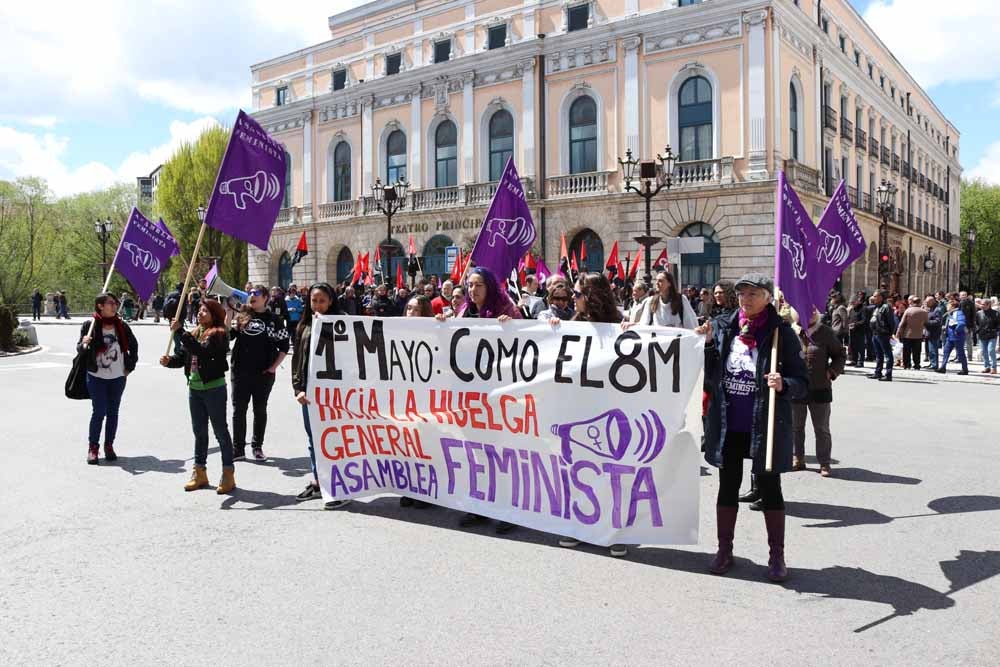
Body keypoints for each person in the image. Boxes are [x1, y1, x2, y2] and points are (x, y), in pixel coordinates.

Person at [703, 273, 807, 582]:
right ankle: (725, 550)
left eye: (753, 294)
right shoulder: (724, 327)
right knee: (728, 486)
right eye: (742, 294)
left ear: (767, 298)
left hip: (765, 424)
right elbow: (710, 375)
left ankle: (776, 555)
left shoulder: (782, 334)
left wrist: (784, 383)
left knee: (770, 488)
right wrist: (708, 346)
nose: (746, 300)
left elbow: (802, 383)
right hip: (728, 425)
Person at [553, 273, 632, 558]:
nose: (573, 299)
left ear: (592, 296)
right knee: (578, 469)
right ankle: (579, 525)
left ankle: (614, 531)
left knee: (610, 472)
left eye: (576, 294)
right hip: (578, 409)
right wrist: (553, 331)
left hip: (609, 411)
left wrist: (633, 333)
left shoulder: (619, 324)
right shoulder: (572, 325)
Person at [438, 267, 519, 533]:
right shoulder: (464, 314)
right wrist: (440, 325)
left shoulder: (506, 310)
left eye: (479, 285)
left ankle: (509, 510)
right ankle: (480, 506)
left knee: (500, 453)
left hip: (498, 396)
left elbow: (526, 343)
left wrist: (511, 328)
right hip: (470, 397)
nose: (473, 291)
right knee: (476, 452)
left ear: (491, 287)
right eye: (470, 286)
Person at [160, 300, 236, 493]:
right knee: (199, 432)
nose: (201, 313)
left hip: (214, 389)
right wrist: (170, 361)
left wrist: (180, 332)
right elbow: (185, 357)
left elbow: (202, 352)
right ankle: (199, 473)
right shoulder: (195, 333)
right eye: (200, 310)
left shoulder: (219, 334)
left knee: (220, 432)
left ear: (215, 314)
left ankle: (228, 474)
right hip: (195, 389)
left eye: (205, 311)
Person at [292, 283, 350, 508]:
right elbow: (297, 359)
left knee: (334, 439)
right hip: (309, 394)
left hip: (335, 394)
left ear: (331, 301)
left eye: (322, 301)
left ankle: (339, 486)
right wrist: (298, 389)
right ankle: (319, 482)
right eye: (314, 300)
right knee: (314, 439)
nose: (317, 305)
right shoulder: (304, 325)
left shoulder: (342, 323)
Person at [228, 285, 290, 462]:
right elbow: (228, 337)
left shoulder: (274, 319)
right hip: (240, 371)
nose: (252, 296)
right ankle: (238, 448)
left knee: (259, 409)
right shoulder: (242, 316)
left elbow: (284, 345)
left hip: (263, 374)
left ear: (265, 298)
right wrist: (228, 314)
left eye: (256, 294)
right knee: (239, 410)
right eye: (250, 293)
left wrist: (273, 367)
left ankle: (257, 447)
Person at [77, 293, 138, 464]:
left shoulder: (122, 326)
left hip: (118, 377)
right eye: (111, 303)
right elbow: (80, 350)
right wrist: (84, 343)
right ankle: (93, 448)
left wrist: (129, 367)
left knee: (113, 412)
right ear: (100, 306)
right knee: (99, 412)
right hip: (96, 376)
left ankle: (109, 445)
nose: (115, 306)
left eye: (115, 303)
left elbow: (134, 346)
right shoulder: (90, 325)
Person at [789, 308, 845, 478]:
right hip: (796, 388)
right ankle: (797, 458)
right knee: (795, 427)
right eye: (803, 309)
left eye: (812, 309)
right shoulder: (789, 332)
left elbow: (840, 354)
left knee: (821, 429)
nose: (808, 312)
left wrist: (832, 371)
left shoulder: (825, 332)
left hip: (820, 388)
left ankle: (824, 462)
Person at [633, 270, 698, 329]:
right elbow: (644, 324)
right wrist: (633, 325)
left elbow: (691, 324)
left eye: (660, 281)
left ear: (669, 283)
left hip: (677, 340)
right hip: (658, 340)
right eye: (656, 280)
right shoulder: (651, 301)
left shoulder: (681, 300)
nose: (657, 283)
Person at [937, 296, 969, 375]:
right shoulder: (951, 313)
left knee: (960, 353)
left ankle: (965, 369)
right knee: (946, 352)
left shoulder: (958, 313)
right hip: (950, 336)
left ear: (952, 306)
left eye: (948, 305)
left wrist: (956, 330)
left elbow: (961, 323)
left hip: (957, 336)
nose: (947, 307)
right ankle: (943, 367)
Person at [868, 290, 895, 381]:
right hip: (875, 333)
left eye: (875, 296)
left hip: (883, 334)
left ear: (881, 297)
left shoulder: (886, 307)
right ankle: (878, 372)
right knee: (878, 354)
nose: (873, 298)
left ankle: (888, 374)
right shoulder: (876, 307)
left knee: (887, 354)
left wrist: (890, 333)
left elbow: (891, 322)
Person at [896, 296, 929, 370]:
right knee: (917, 351)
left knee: (907, 351)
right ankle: (917, 365)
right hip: (918, 334)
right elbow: (926, 323)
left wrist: (898, 332)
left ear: (912, 302)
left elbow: (902, 323)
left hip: (907, 334)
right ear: (919, 302)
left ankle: (907, 365)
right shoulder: (924, 312)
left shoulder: (908, 311)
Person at [975, 298, 999, 374]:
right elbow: (976, 323)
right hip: (982, 334)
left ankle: (993, 367)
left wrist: (996, 330)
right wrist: (977, 330)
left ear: (989, 305)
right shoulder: (979, 313)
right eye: (981, 304)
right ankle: (987, 367)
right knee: (984, 352)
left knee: (991, 350)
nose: (982, 306)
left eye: (983, 304)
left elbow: (999, 324)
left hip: (992, 335)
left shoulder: (996, 313)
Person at [847, 292, 868, 367]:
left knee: (860, 346)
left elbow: (864, 320)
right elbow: (850, 318)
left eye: (854, 302)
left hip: (860, 330)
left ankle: (860, 361)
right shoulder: (852, 309)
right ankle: (854, 360)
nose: (853, 303)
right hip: (852, 330)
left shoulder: (863, 309)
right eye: (852, 302)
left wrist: (855, 324)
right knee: (853, 346)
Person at [923, 296, 942, 371]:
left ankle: (934, 365)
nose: (926, 303)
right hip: (928, 332)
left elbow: (937, 321)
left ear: (932, 301)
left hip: (934, 332)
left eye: (927, 302)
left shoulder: (937, 310)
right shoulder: (930, 309)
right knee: (929, 349)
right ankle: (932, 363)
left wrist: (926, 322)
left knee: (933, 349)